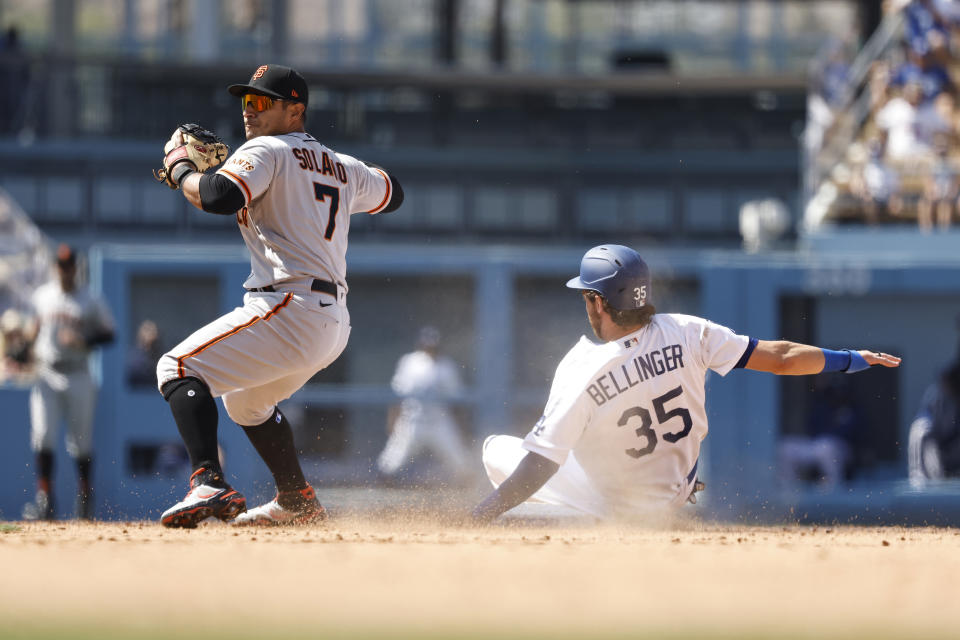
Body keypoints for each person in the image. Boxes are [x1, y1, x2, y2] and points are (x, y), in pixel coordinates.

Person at [471, 245, 901, 523]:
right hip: (674, 492)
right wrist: (849, 359)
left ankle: (578, 527)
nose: (586, 302)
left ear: (599, 301)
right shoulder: (687, 330)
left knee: (499, 450)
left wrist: (477, 517)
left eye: (587, 295)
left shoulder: (581, 367)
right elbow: (782, 357)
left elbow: (539, 465)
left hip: (618, 508)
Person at [155, 64, 403, 528]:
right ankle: (297, 499)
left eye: (262, 102)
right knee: (245, 403)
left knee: (177, 367)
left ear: (295, 111)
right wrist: (348, 171)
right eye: (246, 102)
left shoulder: (267, 148)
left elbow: (218, 197)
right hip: (332, 322)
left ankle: (208, 480)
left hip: (290, 304)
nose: (249, 111)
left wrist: (182, 169)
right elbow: (394, 194)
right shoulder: (343, 166)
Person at [21, 244, 116, 521]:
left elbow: (110, 334)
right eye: (60, 266)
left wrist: (84, 340)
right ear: (55, 268)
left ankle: (85, 502)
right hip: (46, 372)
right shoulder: (43, 297)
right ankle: (45, 501)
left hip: (78, 372)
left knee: (81, 442)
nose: (64, 270)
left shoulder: (90, 298)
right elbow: (33, 329)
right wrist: (24, 344)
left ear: (76, 268)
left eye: (68, 265)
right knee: (42, 436)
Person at [376, 326, 471, 485]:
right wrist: (392, 419)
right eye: (427, 344)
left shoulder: (447, 366)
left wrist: (461, 425)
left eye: (433, 344)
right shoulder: (410, 362)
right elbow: (398, 394)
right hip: (412, 421)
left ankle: (468, 495)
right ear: (420, 344)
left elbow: (456, 401)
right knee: (390, 461)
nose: (430, 348)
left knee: (460, 460)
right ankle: (382, 494)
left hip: (439, 422)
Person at [778, 376, 865, 491]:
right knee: (786, 446)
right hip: (818, 444)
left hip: (843, 450)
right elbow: (812, 429)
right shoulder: (821, 407)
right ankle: (788, 489)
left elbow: (859, 436)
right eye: (834, 391)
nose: (838, 395)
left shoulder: (853, 410)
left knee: (826, 447)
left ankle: (832, 487)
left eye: (841, 391)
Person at [908, 349, 960, 485]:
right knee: (920, 430)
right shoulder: (936, 398)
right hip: (940, 460)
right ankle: (923, 485)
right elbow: (923, 429)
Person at [126, 319, 163, 387]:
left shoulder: (160, 357)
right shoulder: (134, 358)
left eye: (155, 332)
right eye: (149, 331)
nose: (154, 335)